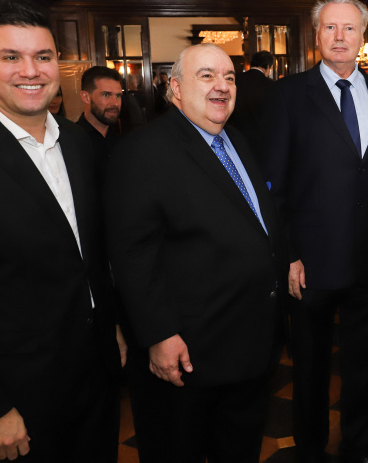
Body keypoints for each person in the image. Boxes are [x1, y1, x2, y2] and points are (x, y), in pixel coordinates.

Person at [0, 0, 122, 461]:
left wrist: (109, 326)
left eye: (43, 57)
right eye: (11, 57)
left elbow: (87, 254)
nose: (29, 71)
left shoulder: (76, 142)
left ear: (59, 65)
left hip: (95, 371)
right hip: (18, 394)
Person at [106, 43, 285, 463]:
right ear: (175, 88)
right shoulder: (142, 150)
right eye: (207, 76)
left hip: (249, 345)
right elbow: (132, 253)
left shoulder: (236, 139)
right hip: (188, 355)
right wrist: (159, 335)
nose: (221, 86)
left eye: (229, 77)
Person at [261, 0, 368, 463]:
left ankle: (360, 445)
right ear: (317, 36)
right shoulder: (288, 94)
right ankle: (309, 446)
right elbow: (274, 186)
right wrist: (287, 255)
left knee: (366, 363)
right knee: (310, 364)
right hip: (311, 261)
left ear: (363, 36)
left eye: (349, 28)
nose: (340, 36)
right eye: (331, 28)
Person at [75, 65, 123, 167]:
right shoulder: (71, 141)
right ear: (86, 97)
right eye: (106, 95)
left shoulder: (125, 137)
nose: (115, 103)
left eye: (118, 96)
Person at [231, 49, 274, 151]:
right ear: (268, 67)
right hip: (262, 140)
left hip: (235, 136)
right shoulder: (271, 85)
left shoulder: (235, 80)